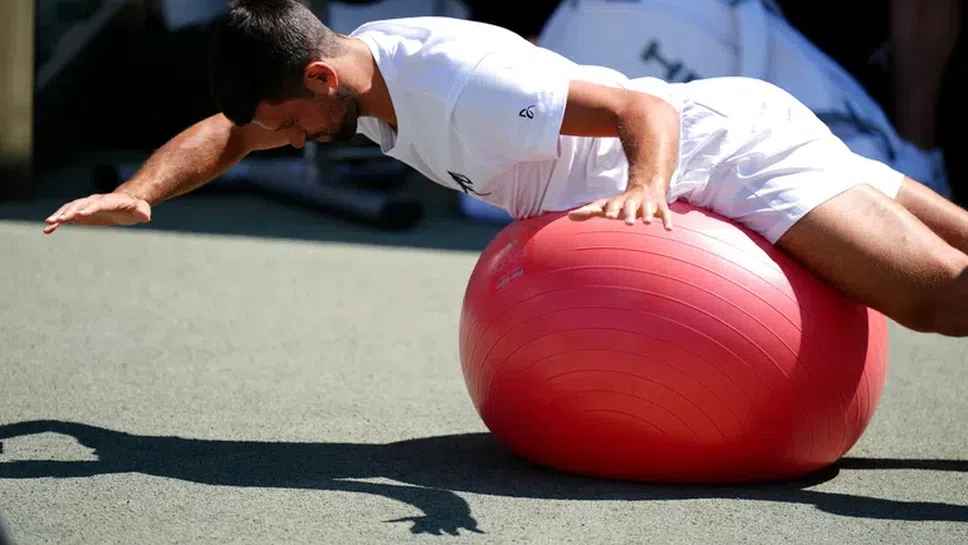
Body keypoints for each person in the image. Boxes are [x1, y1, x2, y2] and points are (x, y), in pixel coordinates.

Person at [43, 0, 968, 337]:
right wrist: (137, 192)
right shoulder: (353, 83)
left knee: (937, 298)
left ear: (320, 75)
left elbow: (641, 109)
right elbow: (230, 131)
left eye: (290, 124)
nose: (286, 143)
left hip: (729, 156)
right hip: (733, 123)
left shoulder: (462, 88)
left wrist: (647, 188)